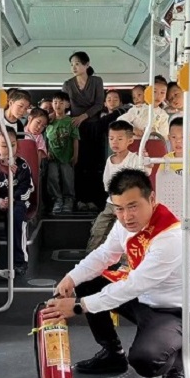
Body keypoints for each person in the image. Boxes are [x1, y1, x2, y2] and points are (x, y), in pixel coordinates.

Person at [42, 169, 190, 378]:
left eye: (133, 206)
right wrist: (71, 278)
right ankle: (112, 354)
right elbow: (105, 255)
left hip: (176, 313)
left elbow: (134, 285)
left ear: (152, 199)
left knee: (145, 361)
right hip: (143, 300)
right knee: (86, 282)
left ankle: (176, 359)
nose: (126, 216)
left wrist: (79, 306)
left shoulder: (171, 238)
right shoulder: (123, 225)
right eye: (119, 208)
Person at [86, 121, 147, 253]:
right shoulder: (110, 160)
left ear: (130, 140)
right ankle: (92, 255)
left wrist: (146, 162)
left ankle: (126, 261)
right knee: (98, 228)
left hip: (128, 205)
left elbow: (143, 175)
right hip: (112, 203)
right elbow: (107, 183)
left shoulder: (135, 159)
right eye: (111, 138)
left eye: (119, 139)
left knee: (126, 232)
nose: (115, 142)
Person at [62, 52, 108, 209]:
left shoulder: (96, 81)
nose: (74, 67)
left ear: (87, 64)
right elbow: (65, 105)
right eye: (72, 65)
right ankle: (80, 199)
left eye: (77, 64)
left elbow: (99, 104)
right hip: (76, 127)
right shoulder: (68, 84)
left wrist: (83, 116)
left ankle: (94, 200)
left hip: (94, 126)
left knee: (94, 164)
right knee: (78, 164)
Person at [0, 130, 34, 277]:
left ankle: (20, 261)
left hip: (18, 201)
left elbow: (27, 188)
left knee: (17, 217)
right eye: (4, 146)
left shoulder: (22, 166)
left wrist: (13, 199)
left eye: (13, 145)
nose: (9, 150)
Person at [46, 91, 80, 214]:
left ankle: (69, 200)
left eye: (61, 102)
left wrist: (75, 155)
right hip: (52, 157)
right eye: (55, 102)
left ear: (67, 105)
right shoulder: (48, 121)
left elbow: (75, 139)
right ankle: (57, 200)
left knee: (67, 178)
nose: (58, 105)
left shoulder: (71, 121)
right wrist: (47, 151)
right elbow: (44, 139)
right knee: (52, 177)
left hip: (67, 156)